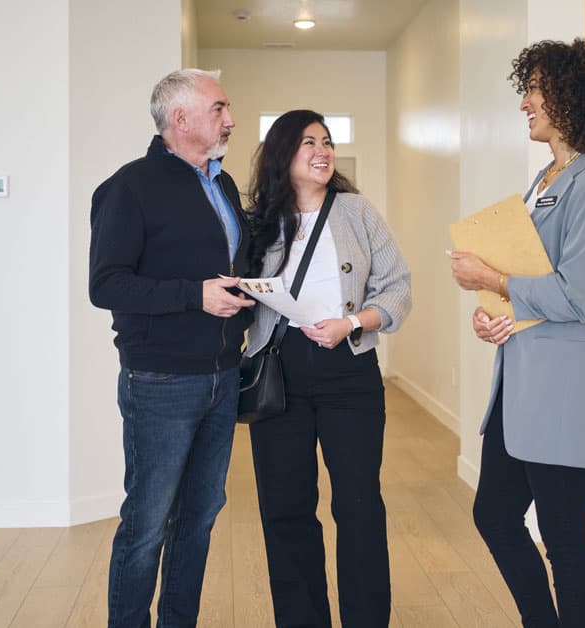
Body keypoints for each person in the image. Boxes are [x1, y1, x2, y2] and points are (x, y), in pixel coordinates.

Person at [448, 39, 585, 628]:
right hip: (521, 386)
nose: (524, 102)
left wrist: (492, 279)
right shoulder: (547, 179)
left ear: (573, 97)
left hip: (566, 393)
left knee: (564, 537)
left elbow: (579, 295)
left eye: (534, 89)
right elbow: (534, 278)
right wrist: (494, 313)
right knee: (496, 516)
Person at [88, 68, 254, 628]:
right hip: (159, 382)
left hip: (223, 377)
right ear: (179, 119)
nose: (230, 119)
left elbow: (230, 269)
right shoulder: (128, 187)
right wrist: (195, 297)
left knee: (201, 517)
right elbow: (106, 285)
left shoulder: (224, 185)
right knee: (148, 523)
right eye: (219, 108)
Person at [243, 109, 411, 628]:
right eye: (308, 143)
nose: (323, 151)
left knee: (359, 507)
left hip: (349, 371)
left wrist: (353, 323)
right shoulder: (258, 219)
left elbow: (398, 288)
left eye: (327, 142)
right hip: (278, 371)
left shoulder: (357, 211)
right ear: (282, 155)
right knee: (286, 510)